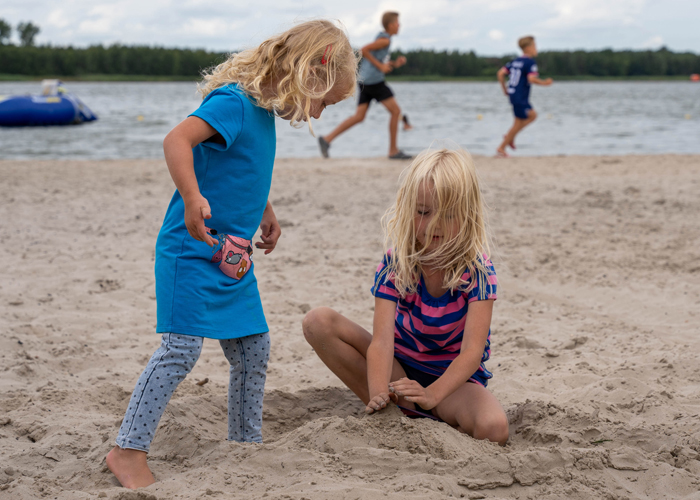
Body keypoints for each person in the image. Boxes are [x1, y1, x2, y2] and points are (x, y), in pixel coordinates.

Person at [105, 20, 358, 489]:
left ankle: (245, 444)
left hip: (233, 258)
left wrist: (265, 209)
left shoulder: (263, 113)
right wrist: (190, 195)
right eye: (325, 101)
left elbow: (240, 167)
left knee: (253, 348)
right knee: (180, 351)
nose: (319, 114)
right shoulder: (234, 102)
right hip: (192, 249)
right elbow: (176, 141)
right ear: (312, 70)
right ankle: (127, 450)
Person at [302, 147, 509, 446]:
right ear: (407, 208)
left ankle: (423, 411)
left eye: (447, 214)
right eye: (423, 212)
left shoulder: (478, 272)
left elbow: (471, 353)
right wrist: (378, 395)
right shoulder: (397, 264)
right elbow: (382, 341)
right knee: (317, 322)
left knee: (495, 428)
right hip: (399, 373)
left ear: (467, 214)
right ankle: (398, 410)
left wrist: (431, 395)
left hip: (453, 385)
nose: (433, 224)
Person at [318, 11, 411, 160]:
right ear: (391, 25)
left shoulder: (383, 38)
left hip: (365, 80)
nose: (399, 25)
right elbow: (364, 50)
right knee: (396, 111)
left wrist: (393, 64)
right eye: (398, 23)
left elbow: (374, 59)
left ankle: (327, 139)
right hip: (374, 81)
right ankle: (393, 151)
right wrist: (381, 67)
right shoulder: (385, 40)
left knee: (359, 116)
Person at [496, 35, 553, 157]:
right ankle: (503, 145)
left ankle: (510, 136)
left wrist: (505, 89)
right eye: (534, 46)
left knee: (530, 116)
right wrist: (545, 83)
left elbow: (500, 74)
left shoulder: (515, 61)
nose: (536, 48)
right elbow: (531, 78)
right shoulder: (530, 62)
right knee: (522, 121)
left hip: (514, 94)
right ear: (528, 48)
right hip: (520, 96)